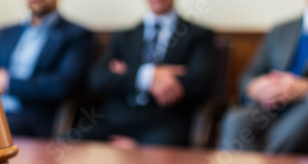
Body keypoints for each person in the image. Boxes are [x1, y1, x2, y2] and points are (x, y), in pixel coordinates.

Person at [85, 0, 215, 148]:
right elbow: (98, 79)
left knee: (153, 157)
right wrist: (148, 76)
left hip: (164, 122)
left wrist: (127, 72)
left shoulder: (198, 35)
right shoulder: (124, 36)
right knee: (68, 144)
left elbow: (201, 81)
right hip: (116, 120)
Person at [0, 0, 93, 138]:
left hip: (34, 118)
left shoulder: (76, 35)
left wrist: (9, 82)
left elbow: (63, 84)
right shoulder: (6, 33)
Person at [218, 5, 308, 154]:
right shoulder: (281, 30)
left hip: (303, 108)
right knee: (236, 119)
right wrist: (255, 88)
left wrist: (302, 88)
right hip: (268, 107)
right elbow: (249, 75)